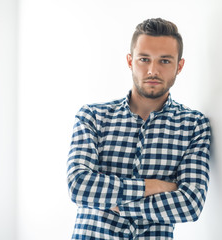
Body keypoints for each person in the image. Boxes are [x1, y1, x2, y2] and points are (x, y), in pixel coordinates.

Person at [66, 18, 211, 239]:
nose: (153, 70)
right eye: (144, 59)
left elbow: (191, 204)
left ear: (179, 66)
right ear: (130, 61)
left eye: (164, 61)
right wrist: (153, 186)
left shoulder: (194, 126)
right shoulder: (93, 117)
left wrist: (120, 205)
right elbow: (79, 187)